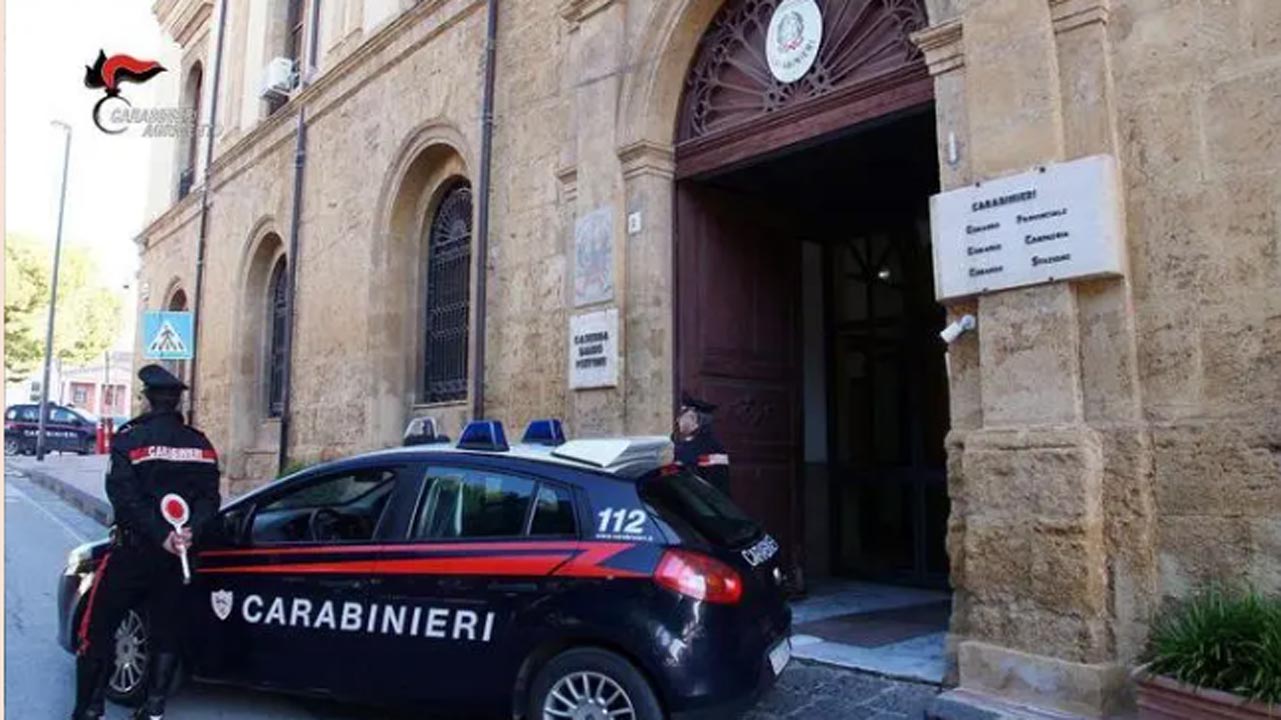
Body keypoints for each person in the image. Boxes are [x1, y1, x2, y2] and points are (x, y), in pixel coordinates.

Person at [72, 364, 221, 720]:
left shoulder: (130, 438)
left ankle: (89, 709)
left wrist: (160, 535)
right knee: (168, 630)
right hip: (178, 557)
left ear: (148, 400)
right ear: (176, 403)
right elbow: (210, 500)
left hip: (134, 553)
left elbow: (124, 498)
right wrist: (189, 532)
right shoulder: (200, 444)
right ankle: (153, 708)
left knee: (97, 628)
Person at [672, 393, 731, 496]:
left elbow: (714, 484)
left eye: (682, 416)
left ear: (695, 420)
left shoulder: (711, 447)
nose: (677, 420)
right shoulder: (681, 443)